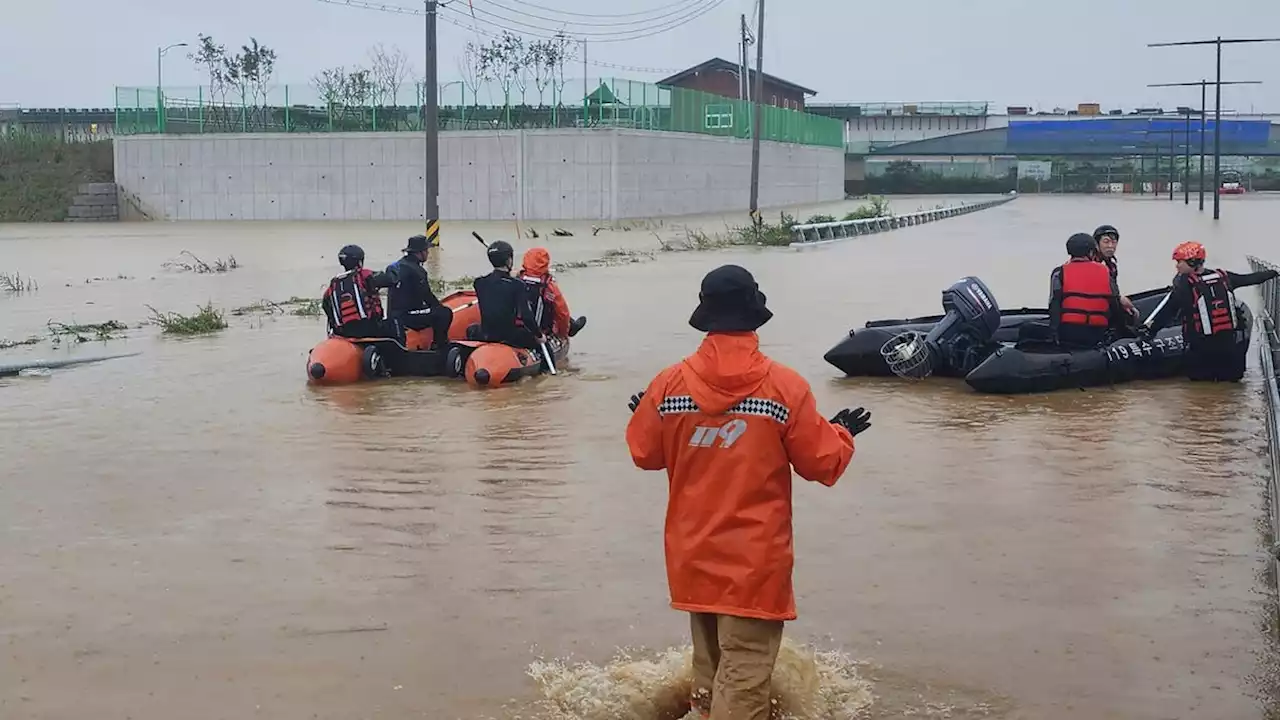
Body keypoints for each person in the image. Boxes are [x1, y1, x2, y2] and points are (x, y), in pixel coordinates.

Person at [623, 264, 871, 720]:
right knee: (745, 683)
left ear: (706, 316)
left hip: (692, 558)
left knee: (711, 675)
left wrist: (648, 414)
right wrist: (842, 433)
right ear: (755, 317)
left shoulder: (669, 385)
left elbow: (645, 452)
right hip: (754, 566)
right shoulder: (784, 387)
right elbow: (823, 463)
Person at [1140, 241, 1278, 382]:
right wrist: (1273, 273)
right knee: (1228, 390)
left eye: (1179, 262)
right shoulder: (1224, 277)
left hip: (1201, 353)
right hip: (1230, 352)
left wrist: (1149, 334)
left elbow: (1166, 313)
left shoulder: (1184, 286)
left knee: (1200, 393)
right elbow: (1250, 279)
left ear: (1191, 262)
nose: (1176, 266)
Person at [1048, 232, 1126, 349]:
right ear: (1091, 251)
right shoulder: (1105, 271)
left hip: (1069, 332)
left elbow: (1054, 303)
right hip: (1097, 332)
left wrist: (1054, 334)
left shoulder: (1059, 272)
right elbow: (1114, 303)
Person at [384, 234, 453, 350]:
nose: (428, 253)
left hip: (393, 314)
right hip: (407, 316)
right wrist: (439, 308)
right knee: (444, 313)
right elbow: (428, 296)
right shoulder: (418, 271)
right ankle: (439, 345)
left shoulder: (395, 266)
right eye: (427, 251)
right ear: (420, 253)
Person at [473, 240, 544, 350]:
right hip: (509, 336)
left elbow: (498, 287)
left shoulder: (479, 282)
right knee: (541, 343)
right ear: (509, 260)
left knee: (471, 329)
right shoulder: (518, 285)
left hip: (486, 334)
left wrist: (509, 277)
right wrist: (539, 335)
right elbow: (526, 316)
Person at [321, 244, 396, 339]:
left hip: (343, 332)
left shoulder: (333, 284)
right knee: (395, 323)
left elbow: (326, 306)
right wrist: (393, 269)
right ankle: (401, 353)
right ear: (360, 261)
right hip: (368, 328)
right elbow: (390, 280)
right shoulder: (364, 275)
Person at [517, 247, 586, 340]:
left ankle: (572, 326)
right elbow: (562, 313)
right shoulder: (550, 287)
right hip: (541, 333)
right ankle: (571, 328)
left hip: (516, 329)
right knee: (554, 308)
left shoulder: (514, 281)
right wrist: (563, 334)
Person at [1093, 224, 1138, 318]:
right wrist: (1119, 299)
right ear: (1096, 244)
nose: (1111, 246)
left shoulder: (1111, 265)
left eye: (1114, 242)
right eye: (1106, 242)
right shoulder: (1093, 264)